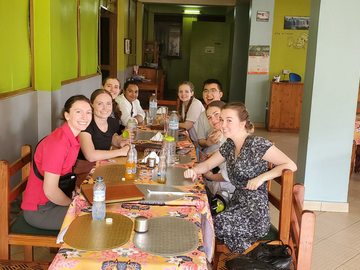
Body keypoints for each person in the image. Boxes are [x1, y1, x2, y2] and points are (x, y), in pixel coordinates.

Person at [184, 102, 297, 253]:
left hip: (254, 214)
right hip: (236, 204)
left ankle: (202, 262)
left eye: (229, 120)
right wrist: (193, 170)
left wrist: (262, 178)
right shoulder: (230, 145)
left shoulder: (257, 144)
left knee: (208, 225)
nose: (223, 124)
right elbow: (208, 165)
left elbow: (290, 165)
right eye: (222, 119)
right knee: (201, 218)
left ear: (242, 123)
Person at [21, 95, 93, 230]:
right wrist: (72, 204)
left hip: (54, 202)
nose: (85, 117)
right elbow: (50, 191)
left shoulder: (72, 138)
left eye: (88, 112)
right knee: (94, 221)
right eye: (79, 112)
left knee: (99, 208)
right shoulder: (58, 143)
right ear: (67, 115)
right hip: (41, 210)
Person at [78, 89, 130, 163]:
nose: (105, 108)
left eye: (108, 104)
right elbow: (90, 156)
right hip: (85, 168)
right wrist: (120, 152)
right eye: (100, 104)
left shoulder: (112, 122)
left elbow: (110, 138)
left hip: (102, 164)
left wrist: (119, 142)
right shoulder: (85, 125)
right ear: (91, 104)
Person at [201, 101, 235, 197]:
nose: (213, 120)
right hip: (222, 183)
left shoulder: (232, 137)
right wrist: (216, 153)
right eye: (209, 118)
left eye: (216, 114)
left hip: (231, 191)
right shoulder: (222, 134)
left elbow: (230, 175)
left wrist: (210, 176)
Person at [197, 79, 224, 153]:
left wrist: (222, 130)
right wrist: (207, 143)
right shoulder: (202, 115)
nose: (209, 94)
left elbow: (248, 128)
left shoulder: (229, 110)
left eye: (213, 90)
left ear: (220, 94)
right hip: (208, 154)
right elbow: (200, 140)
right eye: (206, 91)